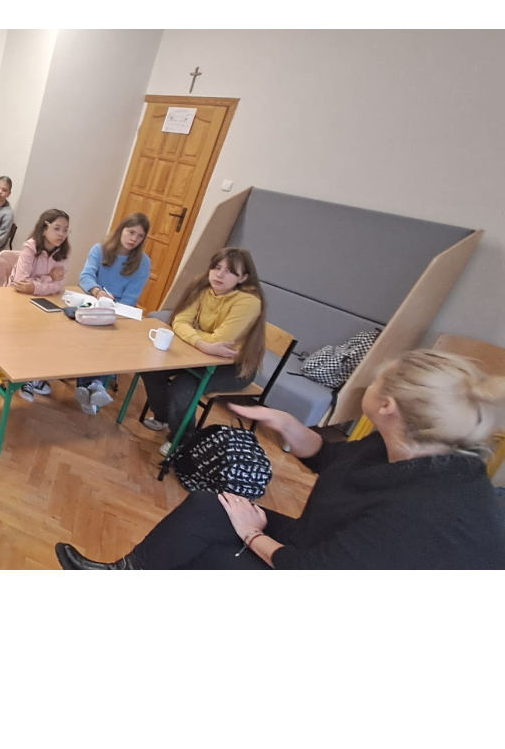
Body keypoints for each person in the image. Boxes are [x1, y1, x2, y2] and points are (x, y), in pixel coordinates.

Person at [56, 349, 505, 569]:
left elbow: (312, 573)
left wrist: (252, 534)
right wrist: (288, 425)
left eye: (375, 381)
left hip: (318, 571)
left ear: (387, 407)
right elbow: (331, 459)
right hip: (322, 545)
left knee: (213, 557)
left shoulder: (428, 512)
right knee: (211, 506)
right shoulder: (408, 446)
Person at [140, 247, 267, 455]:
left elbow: (220, 340)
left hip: (234, 367)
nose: (219, 274)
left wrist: (195, 336)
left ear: (243, 277)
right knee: (151, 368)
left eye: (229, 271)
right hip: (202, 355)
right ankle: (164, 417)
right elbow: (179, 320)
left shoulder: (249, 302)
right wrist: (202, 343)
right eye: (217, 267)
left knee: (182, 387)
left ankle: (183, 440)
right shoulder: (203, 287)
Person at [73, 213, 152, 415]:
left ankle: (89, 387)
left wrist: (112, 310)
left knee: (107, 336)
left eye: (140, 236)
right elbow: (86, 276)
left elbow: (131, 297)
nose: (134, 239)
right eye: (131, 232)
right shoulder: (99, 249)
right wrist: (99, 293)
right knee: (93, 334)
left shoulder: (143, 262)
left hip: (118, 310)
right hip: (93, 303)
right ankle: (96, 385)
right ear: (121, 230)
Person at [10, 208, 72, 402]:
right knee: (30, 330)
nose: (61, 234)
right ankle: (25, 377)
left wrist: (37, 285)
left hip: (45, 300)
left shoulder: (63, 252)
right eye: (57, 228)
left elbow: (59, 286)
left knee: (54, 330)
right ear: (44, 228)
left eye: (65, 230)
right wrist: (49, 278)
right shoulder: (30, 247)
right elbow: (21, 283)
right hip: (16, 300)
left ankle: (35, 374)